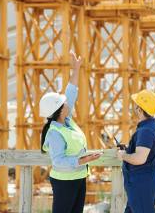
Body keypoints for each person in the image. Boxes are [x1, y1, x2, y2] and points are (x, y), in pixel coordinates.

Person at [40, 52, 102, 213]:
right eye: (64, 103)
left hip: (79, 177)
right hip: (65, 181)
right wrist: (83, 160)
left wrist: (76, 69)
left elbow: (71, 93)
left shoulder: (67, 121)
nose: (68, 103)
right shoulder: (54, 133)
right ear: (60, 110)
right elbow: (58, 161)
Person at [117, 90, 155, 213]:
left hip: (140, 184)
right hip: (144, 182)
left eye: (136, 105)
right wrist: (129, 149)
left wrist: (123, 155)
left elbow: (140, 158)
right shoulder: (153, 127)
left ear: (140, 109)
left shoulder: (146, 130)